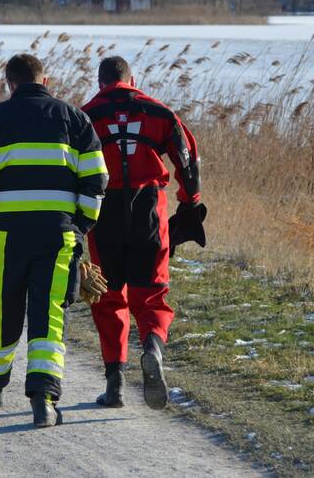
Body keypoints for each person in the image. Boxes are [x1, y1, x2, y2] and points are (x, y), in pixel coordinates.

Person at [0, 53, 107, 428]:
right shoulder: (76, 120)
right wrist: (80, 229)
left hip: (5, 237)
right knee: (49, 317)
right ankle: (43, 400)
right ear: (46, 80)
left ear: (9, 84)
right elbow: (96, 182)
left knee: (0, 312)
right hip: (58, 237)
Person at [81, 56, 204, 410]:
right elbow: (186, 158)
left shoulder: (86, 115)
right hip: (150, 208)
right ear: (132, 79)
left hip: (104, 211)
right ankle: (152, 347)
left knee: (108, 296)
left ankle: (115, 384)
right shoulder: (161, 113)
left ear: (101, 82)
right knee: (150, 295)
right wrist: (189, 200)